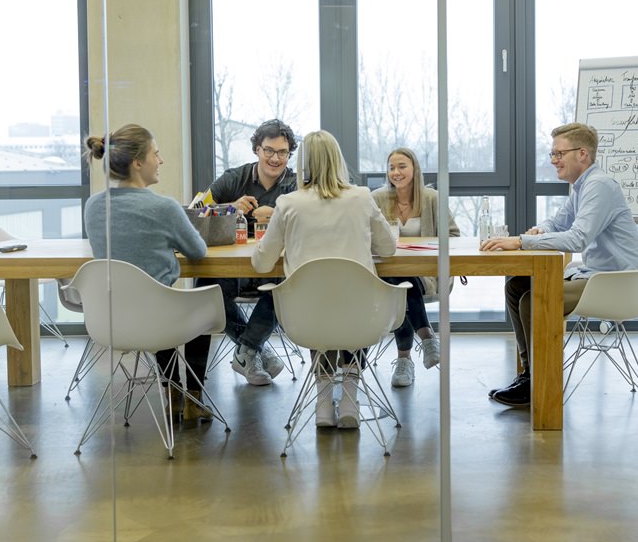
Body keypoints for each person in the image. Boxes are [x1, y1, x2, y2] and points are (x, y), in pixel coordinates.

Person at [480, 122, 638, 407]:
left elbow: (578, 238)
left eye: (559, 153)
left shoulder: (599, 186)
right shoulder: (580, 187)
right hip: (596, 277)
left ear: (582, 154)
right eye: (552, 154)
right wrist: (537, 231)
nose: (554, 160)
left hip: (615, 284)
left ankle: (541, 383)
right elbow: (558, 222)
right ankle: (530, 374)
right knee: (517, 284)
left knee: (534, 300)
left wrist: (521, 242)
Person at [252, 130, 396, 429]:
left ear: (303, 164)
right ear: (337, 160)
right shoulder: (361, 198)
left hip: (304, 319)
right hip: (362, 317)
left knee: (319, 305)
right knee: (350, 305)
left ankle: (322, 404)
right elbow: (388, 248)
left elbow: (263, 263)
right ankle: (350, 399)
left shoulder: (288, 203)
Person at [82, 123, 212, 421]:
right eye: (156, 153)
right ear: (138, 162)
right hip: (160, 321)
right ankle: (192, 397)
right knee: (198, 304)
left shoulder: (93, 207)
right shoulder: (163, 208)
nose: (161, 160)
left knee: (153, 299)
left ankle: (172, 392)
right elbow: (198, 252)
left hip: (112, 320)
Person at [185, 119, 299, 388]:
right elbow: (196, 212)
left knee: (287, 287)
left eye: (282, 152)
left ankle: (247, 350)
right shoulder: (234, 178)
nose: (275, 158)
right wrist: (230, 208)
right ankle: (255, 349)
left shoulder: (295, 185)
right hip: (233, 269)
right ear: (257, 149)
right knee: (206, 289)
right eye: (269, 150)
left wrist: (280, 214)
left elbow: (313, 220)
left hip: (274, 268)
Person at [371, 147, 459, 388]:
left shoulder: (431, 198)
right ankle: (427, 337)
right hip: (387, 273)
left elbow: (453, 234)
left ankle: (404, 361)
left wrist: (425, 245)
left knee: (403, 282)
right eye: (391, 168)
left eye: (402, 166)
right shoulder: (377, 198)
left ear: (414, 169)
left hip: (425, 273)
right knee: (398, 280)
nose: (396, 172)